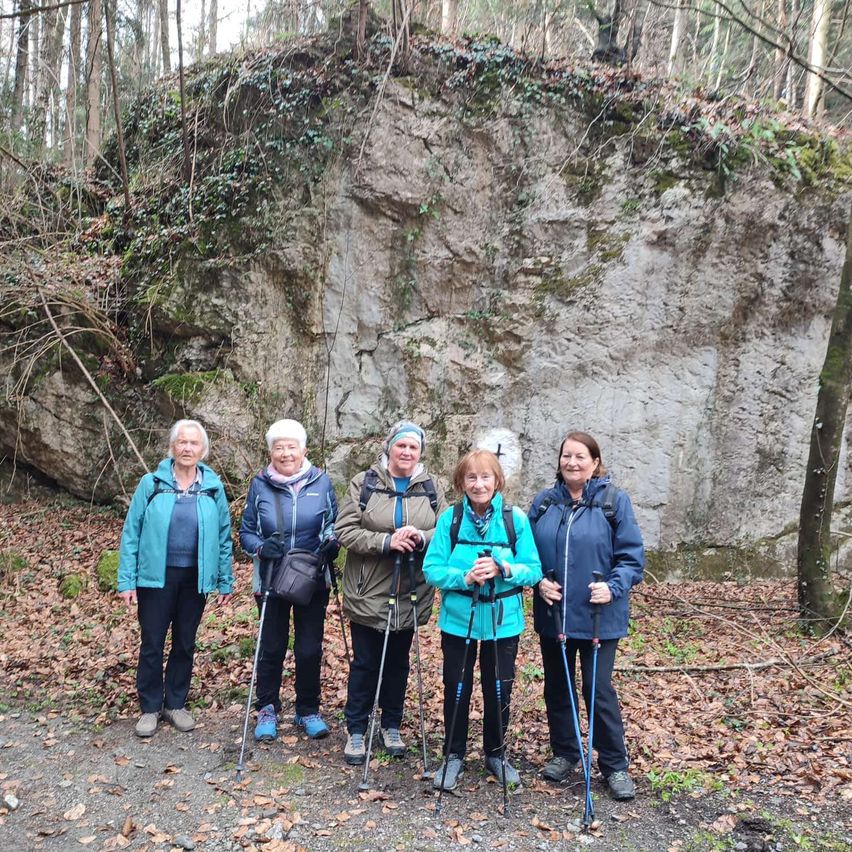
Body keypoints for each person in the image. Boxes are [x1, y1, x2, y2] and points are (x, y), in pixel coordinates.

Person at [530, 431, 644, 801]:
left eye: (580, 456)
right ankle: (565, 752)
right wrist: (538, 583)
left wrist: (612, 586)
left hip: (599, 617)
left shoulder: (614, 502)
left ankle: (614, 765)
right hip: (556, 614)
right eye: (566, 456)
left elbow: (632, 558)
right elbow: (526, 555)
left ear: (595, 462)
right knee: (558, 687)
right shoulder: (545, 504)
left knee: (598, 689)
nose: (572, 463)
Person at [423, 449, 542, 791]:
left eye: (485, 477)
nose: (479, 484)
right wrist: (465, 577)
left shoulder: (513, 519)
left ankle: (496, 753)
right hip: (459, 619)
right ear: (461, 482)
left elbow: (533, 569)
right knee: (456, 688)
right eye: (471, 478)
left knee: (499, 688)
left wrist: (504, 568)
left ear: (497, 480)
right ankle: (454, 754)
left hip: (503, 621)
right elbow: (432, 568)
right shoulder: (451, 519)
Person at [336, 420, 447, 765]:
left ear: (420, 453)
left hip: (411, 588)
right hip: (368, 588)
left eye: (413, 447)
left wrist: (421, 538)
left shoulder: (431, 486)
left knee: (399, 662)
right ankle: (356, 728)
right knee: (366, 662)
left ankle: (391, 724)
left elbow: (445, 528)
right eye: (401, 446)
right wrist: (386, 541)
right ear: (389, 448)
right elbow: (344, 530)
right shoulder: (364, 483)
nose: (407, 452)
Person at [118, 419, 234, 738]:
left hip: (194, 578)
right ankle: (150, 708)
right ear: (172, 447)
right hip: (155, 578)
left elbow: (225, 536)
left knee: (185, 642)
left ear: (202, 450)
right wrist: (126, 580)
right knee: (152, 642)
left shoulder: (212, 487)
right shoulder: (151, 484)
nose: (186, 448)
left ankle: (176, 704)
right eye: (181, 442)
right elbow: (132, 532)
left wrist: (225, 580)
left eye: (193, 443)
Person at [239, 419, 338, 741]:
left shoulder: (322, 482)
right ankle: (267, 708)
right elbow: (246, 532)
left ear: (303, 450)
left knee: (309, 649)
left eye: (291, 447)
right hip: (270, 576)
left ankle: (307, 709)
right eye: (279, 447)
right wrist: (259, 547)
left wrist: (331, 542)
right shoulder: (260, 484)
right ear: (270, 452)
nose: (285, 453)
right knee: (271, 646)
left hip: (311, 577)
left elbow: (333, 523)